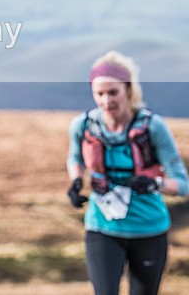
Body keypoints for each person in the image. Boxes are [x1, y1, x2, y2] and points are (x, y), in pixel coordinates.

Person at [67, 50, 188, 295]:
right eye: (99, 93)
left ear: (129, 90)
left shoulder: (153, 127)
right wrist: (76, 181)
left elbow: (182, 184)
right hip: (102, 227)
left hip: (149, 229)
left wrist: (154, 183)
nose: (106, 101)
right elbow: (75, 159)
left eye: (113, 92)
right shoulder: (83, 125)